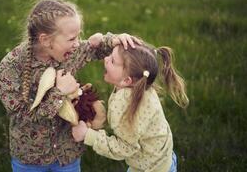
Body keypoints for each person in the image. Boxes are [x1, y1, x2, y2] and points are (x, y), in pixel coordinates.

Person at [0, 0, 140, 172]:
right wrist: (59, 92)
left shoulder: (69, 52)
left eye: (78, 36)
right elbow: (23, 118)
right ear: (46, 40)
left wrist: (115, 40)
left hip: (67, 154)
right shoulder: (10, 68)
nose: (78, 43)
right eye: (72, 38)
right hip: (30, 159)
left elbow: (93, 49)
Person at [72, 41, 189, 172]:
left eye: (112, 61)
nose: (105, 59)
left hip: (150, 168)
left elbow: (126, 147)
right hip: (162, 159)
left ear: (127, 80)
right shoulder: (142, 84)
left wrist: (88, 135)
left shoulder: (125, 104)